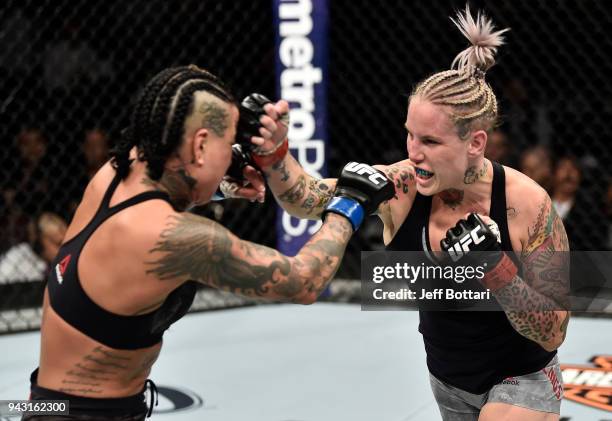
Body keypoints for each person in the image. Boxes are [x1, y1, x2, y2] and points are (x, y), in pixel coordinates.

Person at [25, 65, 394, 420]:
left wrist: (220, 181)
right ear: (200, 146)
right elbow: (303, 282)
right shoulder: (177, 239)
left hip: (46, 405)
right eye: (227, 143)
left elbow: (170, 184)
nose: (232, 152)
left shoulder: (117, 171)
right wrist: (350, 206)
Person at [255, 7, 569, 421]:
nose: (412, 152)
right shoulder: (401, 188)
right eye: (410, 134)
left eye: (430, 141)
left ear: (475, 142)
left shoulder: (526, 204)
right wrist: (276, 154)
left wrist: (498, 270)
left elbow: (553, 332)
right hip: (449, 379)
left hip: (523, 378)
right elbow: (309, 198)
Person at [0, 212, 67, 283]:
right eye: (58, 244)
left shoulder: (60, 264)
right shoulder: (16, 259)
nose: (66, 249)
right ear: (39, 242)